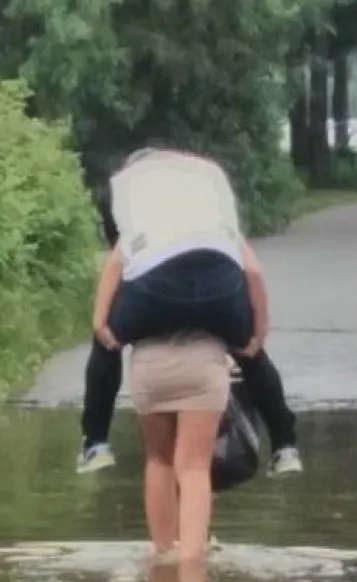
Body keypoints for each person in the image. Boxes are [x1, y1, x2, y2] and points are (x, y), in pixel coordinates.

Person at [79, 146, 302, 478]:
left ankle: (96, 442)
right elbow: (253, 272)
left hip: (155, 291)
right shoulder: (210, 207)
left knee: (106, 345)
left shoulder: (131, 196)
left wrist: (101, 323)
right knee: (252, 357)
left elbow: (117, 262)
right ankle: (285, 447)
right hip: (220, 288)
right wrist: (256, 332)